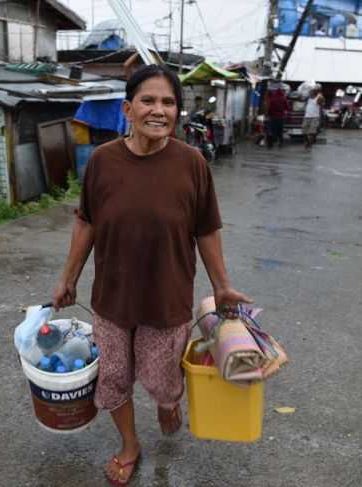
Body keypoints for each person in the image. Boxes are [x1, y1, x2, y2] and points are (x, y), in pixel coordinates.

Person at [52, 65, 251, 486]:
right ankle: (130, 445)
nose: (158, 110)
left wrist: (221, 286)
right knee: (114, 378)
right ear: (128, 108)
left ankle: (166, 401)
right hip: (112, 298)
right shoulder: (104, 162)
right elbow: (86, 222)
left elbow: (206, 228)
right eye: (148, 100)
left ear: (177, 112)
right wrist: (68, 277)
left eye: (168, 102)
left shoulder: (192, 163)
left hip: (166, 299)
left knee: (162, 382)